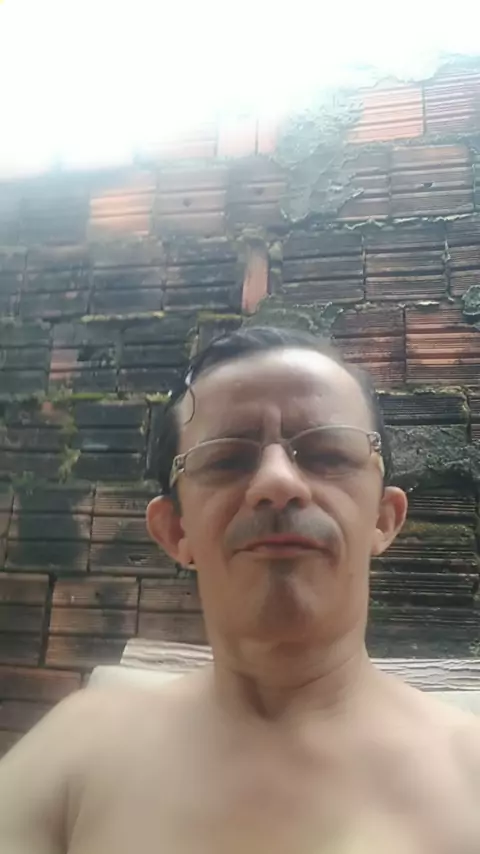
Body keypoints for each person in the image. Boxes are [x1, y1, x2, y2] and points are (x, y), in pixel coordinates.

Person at [0, 325, 479, 854]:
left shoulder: (470, 771)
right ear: (175, 530)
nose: (278, 482)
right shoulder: (80, 751)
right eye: (227, 460)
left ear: (384, 519)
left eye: (327, 454)